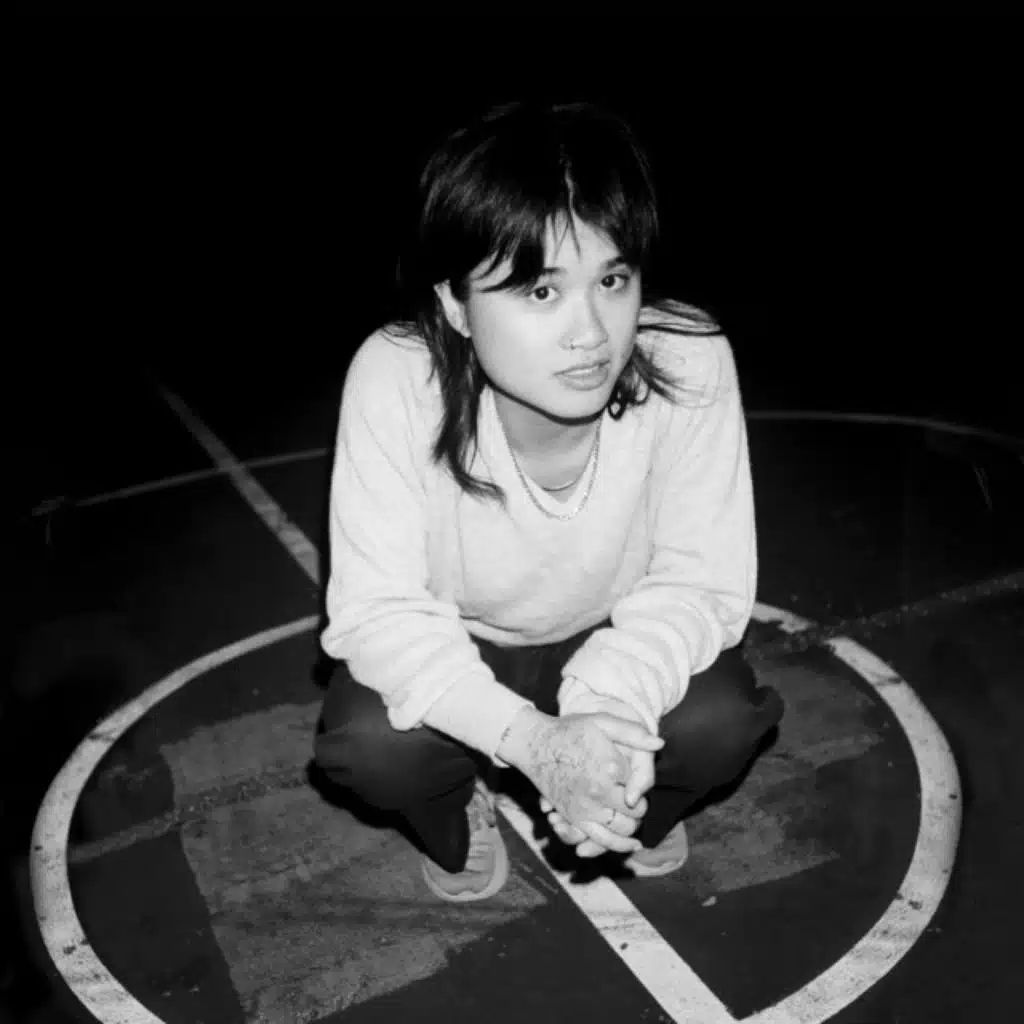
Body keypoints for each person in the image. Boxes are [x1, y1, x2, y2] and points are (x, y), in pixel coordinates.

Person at [313, 99, 783, 903]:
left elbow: (701, 583)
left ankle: (633, 807)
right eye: (539, 291)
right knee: (372, 746)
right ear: (455, 303)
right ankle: (456, 806)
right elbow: (377, 611)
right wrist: (530, 741)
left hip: (612, 632)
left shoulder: (689, 361)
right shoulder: (397, 378)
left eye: (612, 280)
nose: (591, 333)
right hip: (460, 638)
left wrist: (610, 716)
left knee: (721, 723)